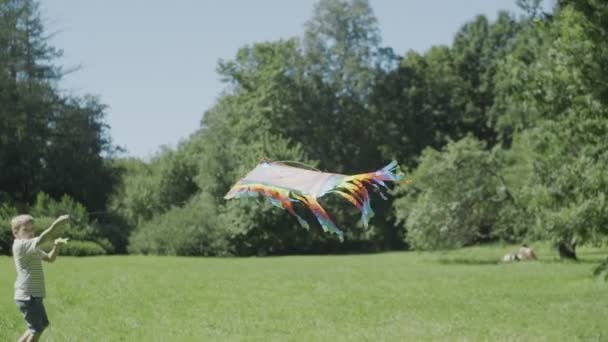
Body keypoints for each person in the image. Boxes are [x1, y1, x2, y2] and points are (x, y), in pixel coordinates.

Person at [11, 214, 70, 342]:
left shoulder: (32, 248)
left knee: (41, 325)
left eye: (32, 229)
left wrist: (56, 246)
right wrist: (57, 224)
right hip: (27, 296)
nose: (30, 233)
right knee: (36, 329)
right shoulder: (20, 246)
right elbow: (44, 237)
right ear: (15, 233)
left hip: (34, 295)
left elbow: (50, 258)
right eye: (26, 230)